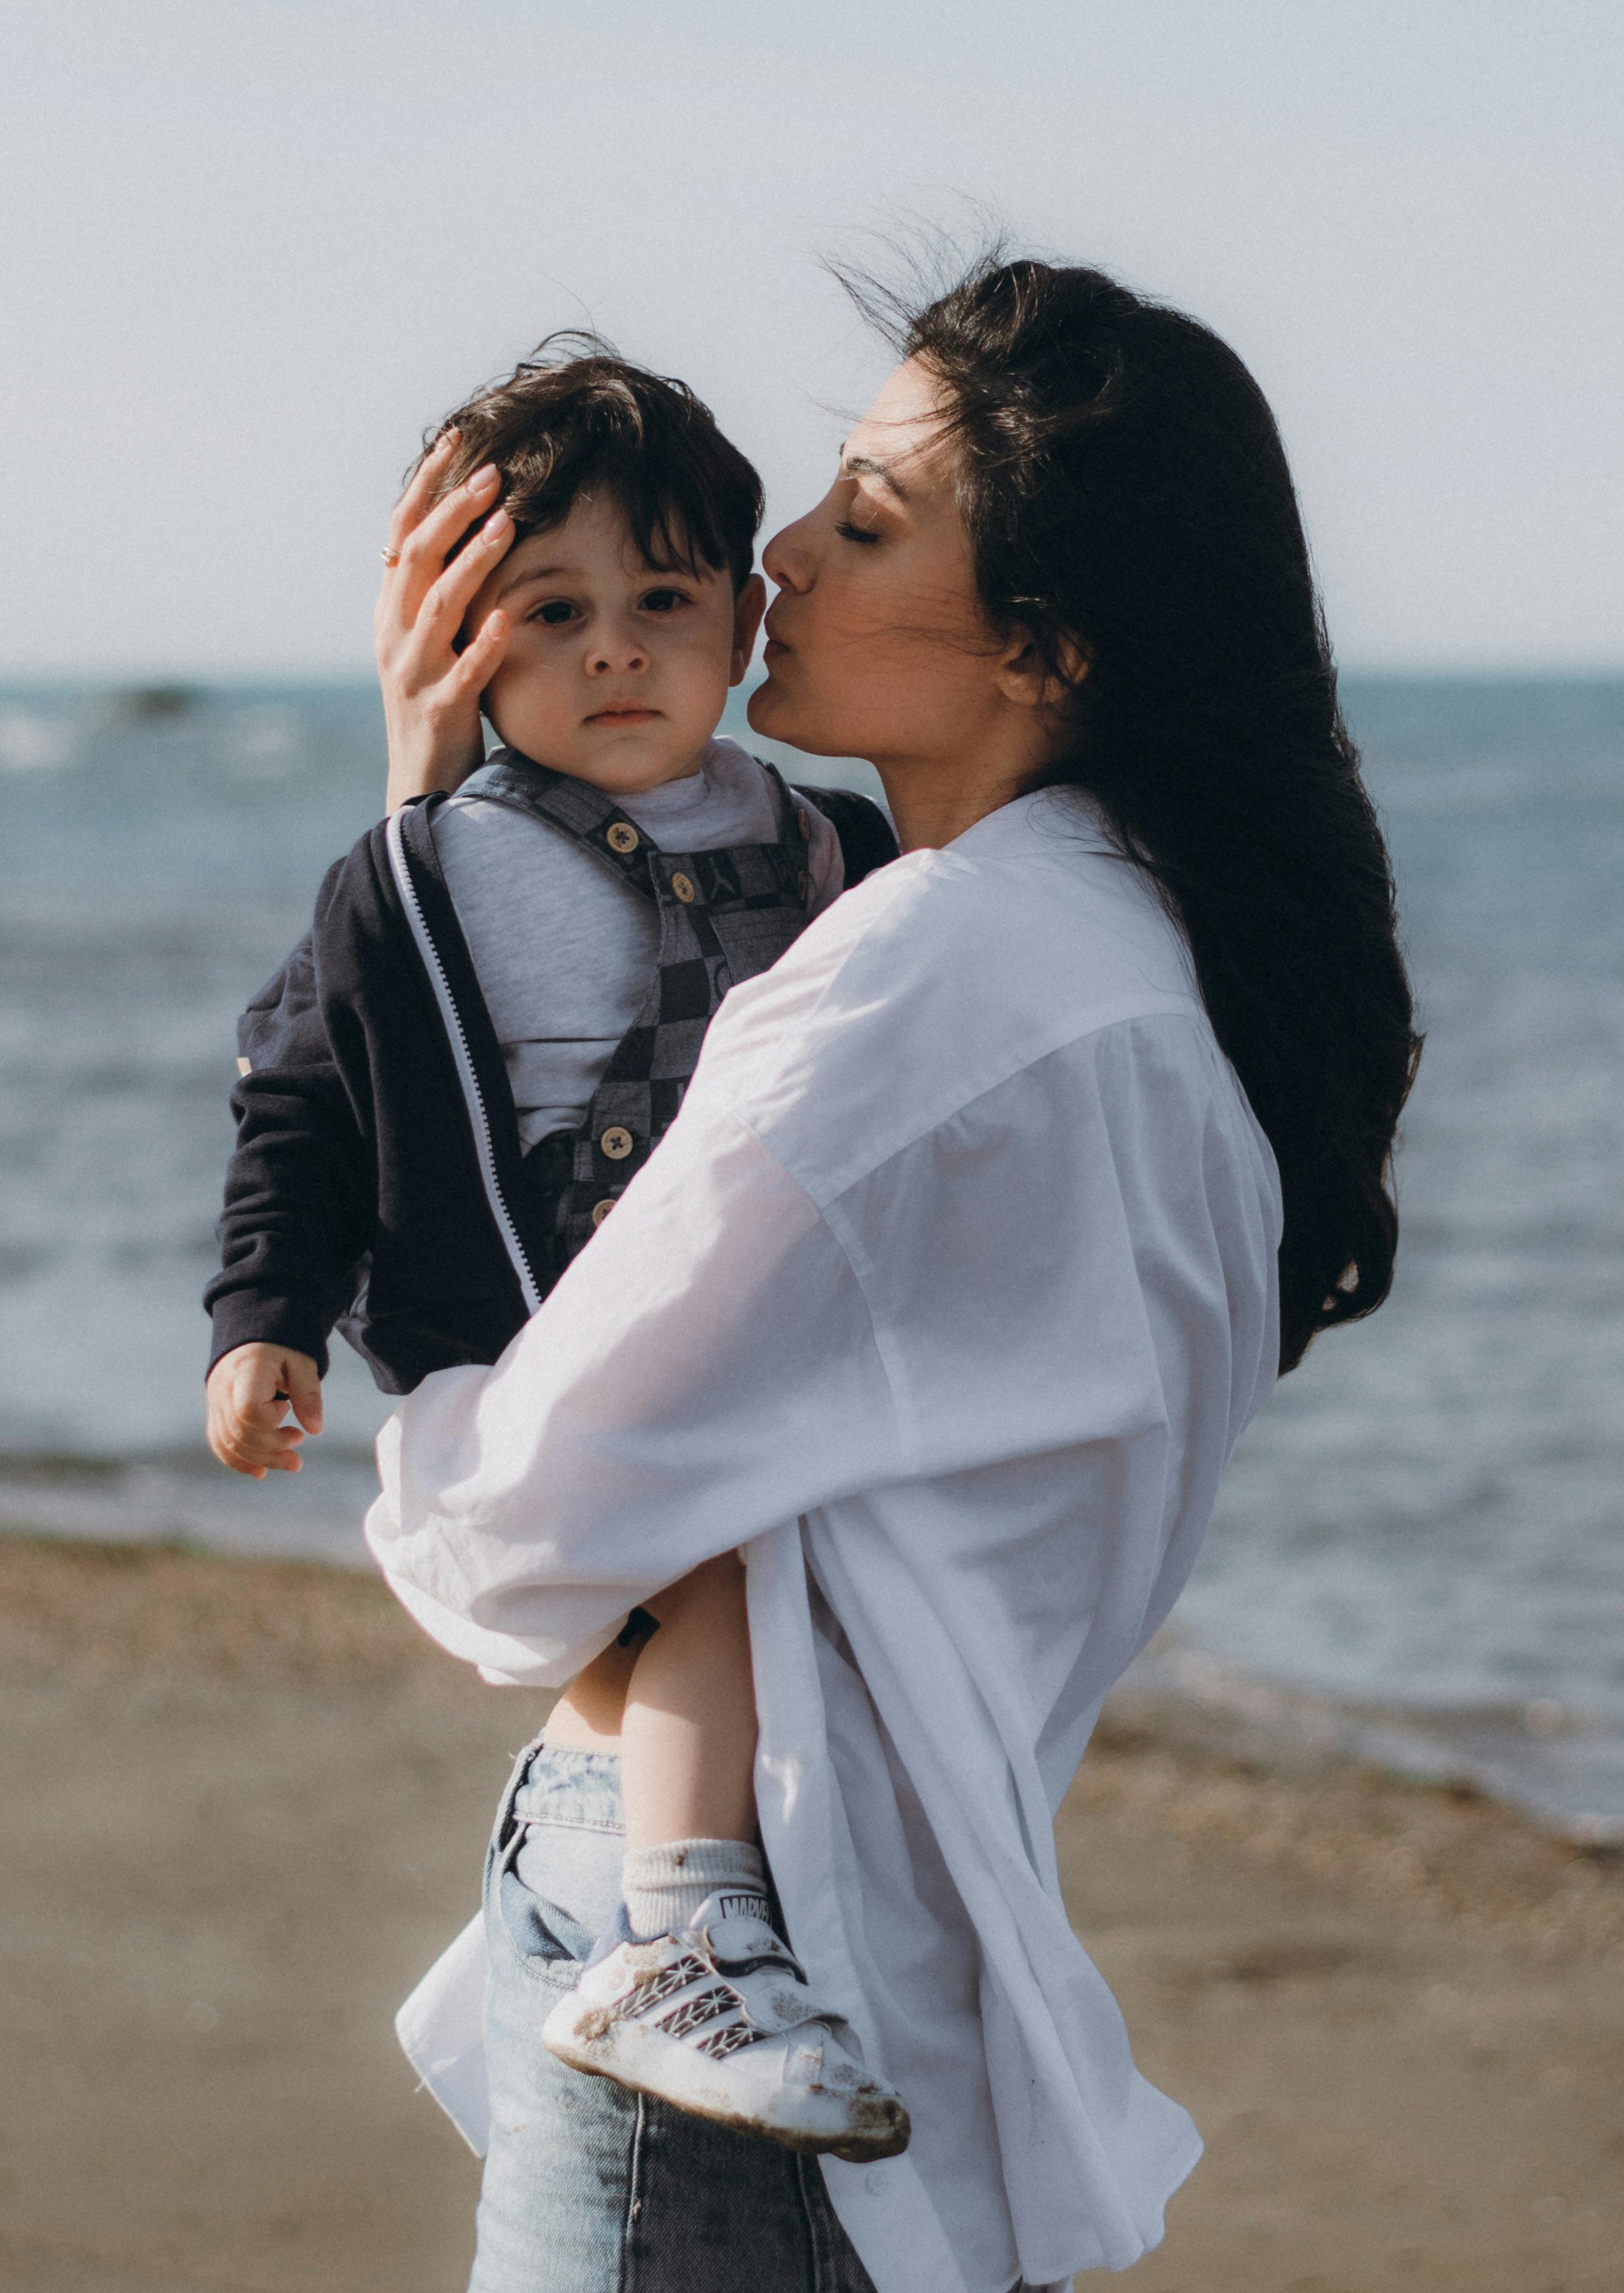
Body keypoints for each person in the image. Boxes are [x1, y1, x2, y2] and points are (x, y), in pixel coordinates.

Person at [369, 254, 1420, 2293]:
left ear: (1038, 649)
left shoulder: (916, 986)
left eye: (862, 521)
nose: (773, 554)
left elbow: (514, 1543)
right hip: (896, 1939)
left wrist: (429, 856)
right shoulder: (1151, 967)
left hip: (726, 1936)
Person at [201, 342, 907, 2160]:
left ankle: (645, 1928)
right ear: (461, 636)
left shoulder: (825, 839)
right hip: (544, 1370)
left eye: (661, 599)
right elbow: (304, 1095)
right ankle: (677, 1946)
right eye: (552, 606)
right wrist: (263, 1319)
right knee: (720, 1583)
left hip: (750, 1357)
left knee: (758, 1605)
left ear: (743, 618)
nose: (612, 648)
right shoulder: (430, 864)